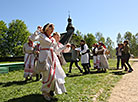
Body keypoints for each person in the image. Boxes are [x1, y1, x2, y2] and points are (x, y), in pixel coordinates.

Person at [29, 23, 67, 101]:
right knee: (48, 74)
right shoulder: (41, 35)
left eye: (53, 29)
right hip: (44, 57)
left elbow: (56, 50)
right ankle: (45, 92)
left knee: (55, 75)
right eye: (51, 28)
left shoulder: (52, 39)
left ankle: (51, 90)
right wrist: (37, 31)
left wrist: (65, 47)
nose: (52, 30)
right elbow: (32, 38)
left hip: (53, 58)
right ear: (46, 28)